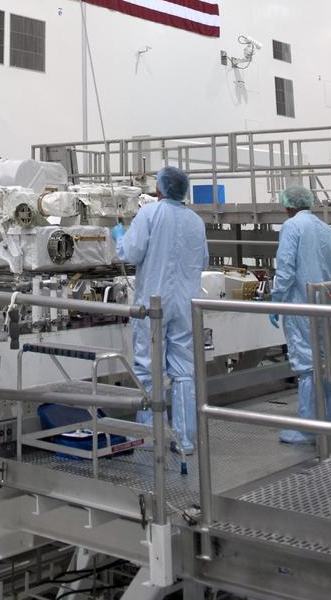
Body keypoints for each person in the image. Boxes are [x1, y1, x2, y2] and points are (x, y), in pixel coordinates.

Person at [116, 166, 208, 455]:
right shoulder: (196, 220)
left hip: (153, 302)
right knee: (183, 369)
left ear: (159, 189)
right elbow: (203, 260)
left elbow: (129, 253)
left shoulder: (149, 214)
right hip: (186, 302)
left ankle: (149, 437)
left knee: (148, 368)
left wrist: (118, 234)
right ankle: (184, 439)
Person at [270, 185, 331, 444]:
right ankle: (328, 416)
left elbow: (285, 267)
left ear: (288, 205)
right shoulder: (324, 228)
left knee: (307, 363)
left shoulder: (291, 227)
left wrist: (276, 299)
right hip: (323, 303)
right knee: (323, 360)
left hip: (299, 304)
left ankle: (309, 426)